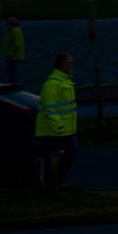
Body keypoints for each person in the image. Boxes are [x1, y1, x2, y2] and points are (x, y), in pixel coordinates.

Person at [35, 51, 78, 185]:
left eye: (72, 63)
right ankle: (52, 182)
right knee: (53, 156)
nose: (71, 65)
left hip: (66, 129)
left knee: (71, 152)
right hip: (53, 130)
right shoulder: (53, 84)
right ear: (60, 65)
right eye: (68, 63)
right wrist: (58, 126)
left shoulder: (66, 81)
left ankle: (58, 179)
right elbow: (50, 108)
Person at [2, 16, 25, 85]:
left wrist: (9, 53)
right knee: (11, 72)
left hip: (13, 57)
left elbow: (16, 44)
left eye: (8, 22)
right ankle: (13, 85)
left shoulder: (14, 31)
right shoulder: (13, 30)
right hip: (13, 56)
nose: (6, 24)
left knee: (12, 73)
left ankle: (15, 86)